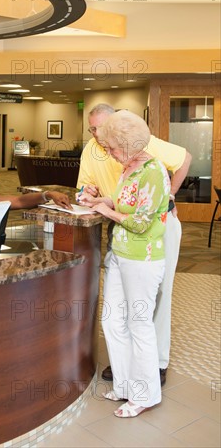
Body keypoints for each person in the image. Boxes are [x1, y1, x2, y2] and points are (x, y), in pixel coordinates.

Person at [76, 103, 191, 386]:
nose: (98, 135)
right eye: (92, 129)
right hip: (123, 228)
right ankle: (127, 362)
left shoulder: (141, 146)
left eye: (102, 129)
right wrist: (89, 193)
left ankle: (157, 362)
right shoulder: (95, 149)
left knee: (159, 292)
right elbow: (87, 187)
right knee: (125, 298)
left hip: (154, 225)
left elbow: (184, 158)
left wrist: (169, 197)